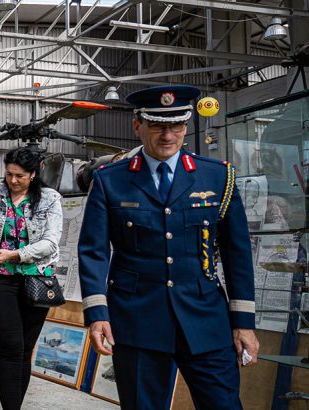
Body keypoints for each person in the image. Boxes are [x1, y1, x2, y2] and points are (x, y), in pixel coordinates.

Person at [78, 85, 259, 410]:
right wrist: (97, 314)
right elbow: (93, 250)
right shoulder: (110, 180)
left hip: (205, 319)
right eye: (158, 125)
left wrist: (244, 323)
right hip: (136, 322)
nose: (168, 135)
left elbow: (238, 253)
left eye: (176, 125)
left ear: (186, 126)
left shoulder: (217, 178)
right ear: (138, 125)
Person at [0, 147, 63, 410]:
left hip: (37, 280)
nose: (12, 181)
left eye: (19, 175)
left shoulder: (50, 199)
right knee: (10, 346)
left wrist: (15, 255)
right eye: (8, 174)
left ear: (34, 173)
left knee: (25, 349)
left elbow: (51, 242)